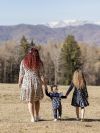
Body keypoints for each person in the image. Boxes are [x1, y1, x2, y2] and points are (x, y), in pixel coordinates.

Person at [18, 48, 44, 122]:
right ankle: (37, 116)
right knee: (37, 100)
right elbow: (42, 75)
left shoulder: (23, 61)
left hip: (26, 83)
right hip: (36, 83)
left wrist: (19, 83)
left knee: (30, 101)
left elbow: (21, 74)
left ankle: (32, 118)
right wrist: (44, 84)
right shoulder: (39, 62)